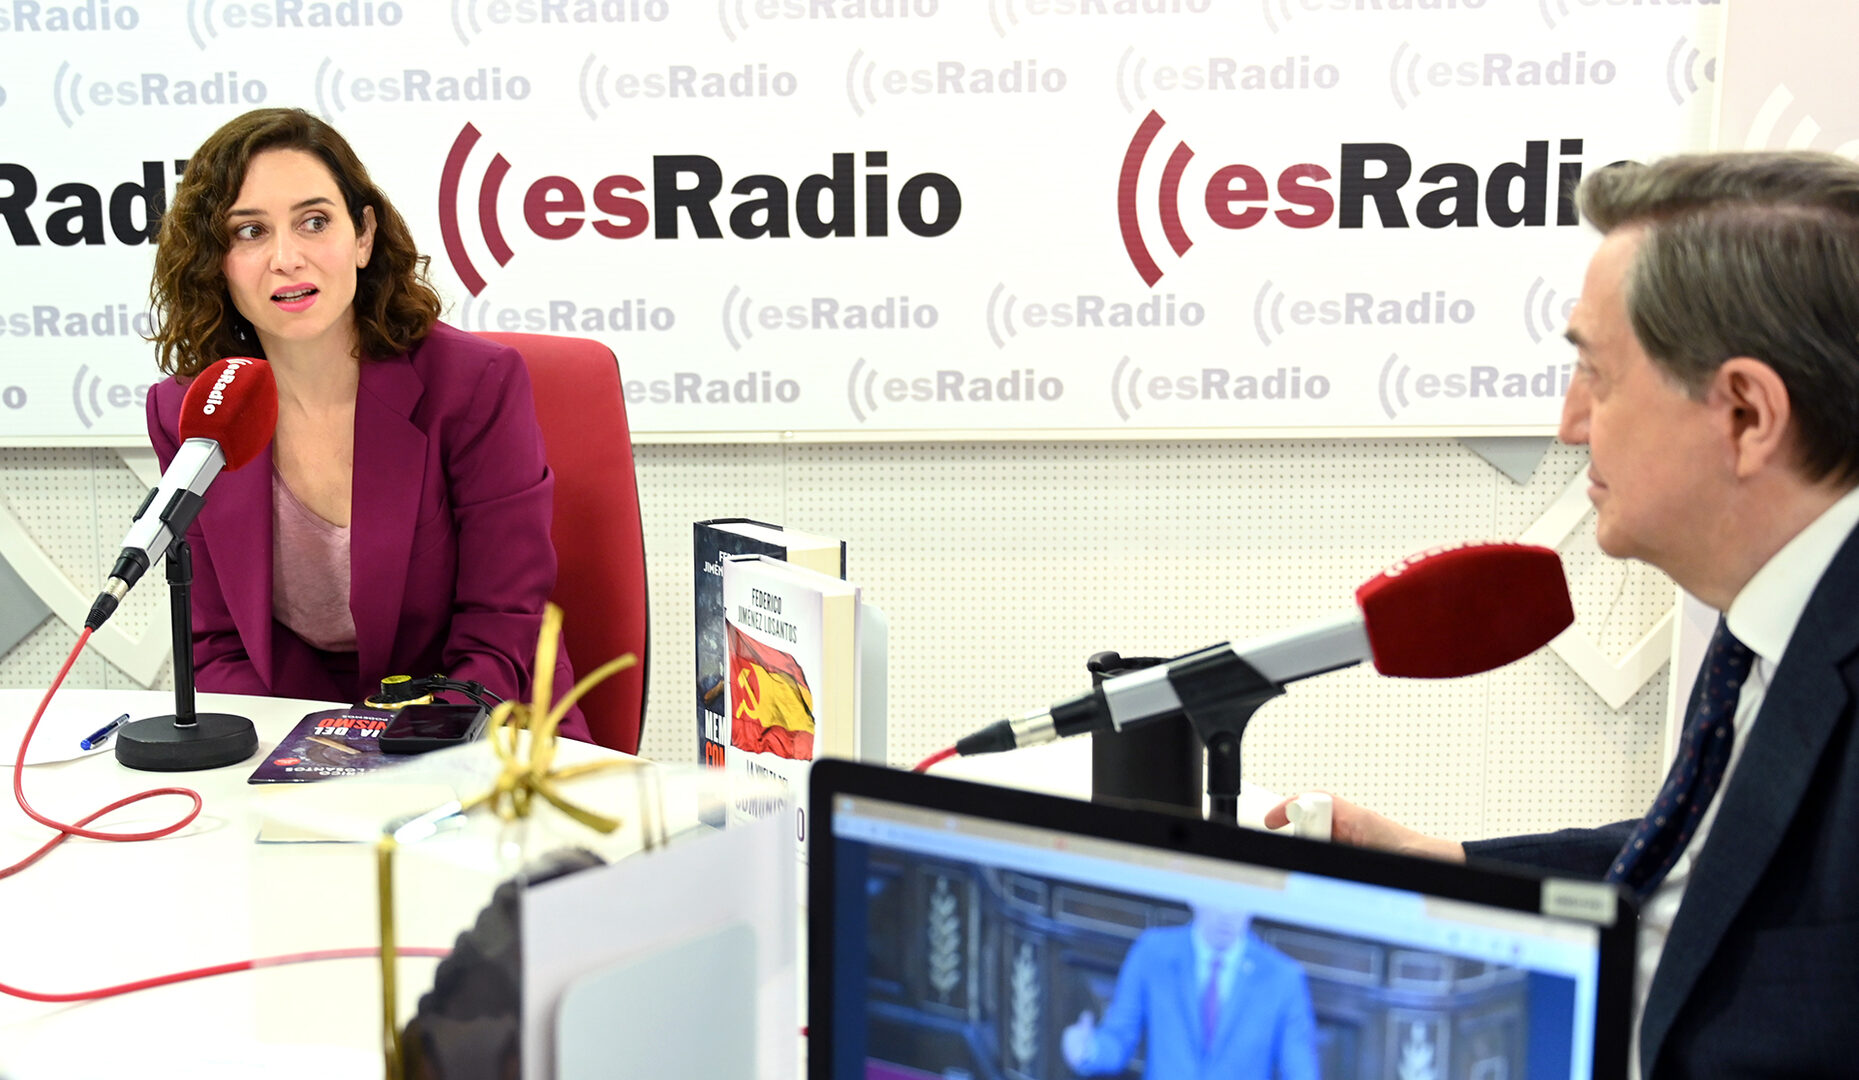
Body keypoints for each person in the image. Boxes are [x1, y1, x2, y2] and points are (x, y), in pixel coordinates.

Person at [1266, 150, 1859, 1078]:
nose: (1568, 422)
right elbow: (1711, 870)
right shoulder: (1771, 624)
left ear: (1746, 415)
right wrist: (1439, 862)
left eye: (1596, 375)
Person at [145, 108, 587, 741]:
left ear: (363, 235)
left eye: (314, 221)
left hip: (483, 719)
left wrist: (406, 753)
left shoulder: (474, 385)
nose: (286, 258)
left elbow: (504, 620)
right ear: (215, 260)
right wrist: (303, 748)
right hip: (296, 730)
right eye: (250, 231)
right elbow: (217, 641)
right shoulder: (192, 413)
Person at [1061, 902, 1319, 1079]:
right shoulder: (1153, 951)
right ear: (1192, 895)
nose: (1227, 912)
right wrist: (1087, 1050)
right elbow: (1119, 1039)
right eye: (1218, 897)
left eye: (1239, 900)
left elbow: (1300, 1071)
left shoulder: (1283, 977)